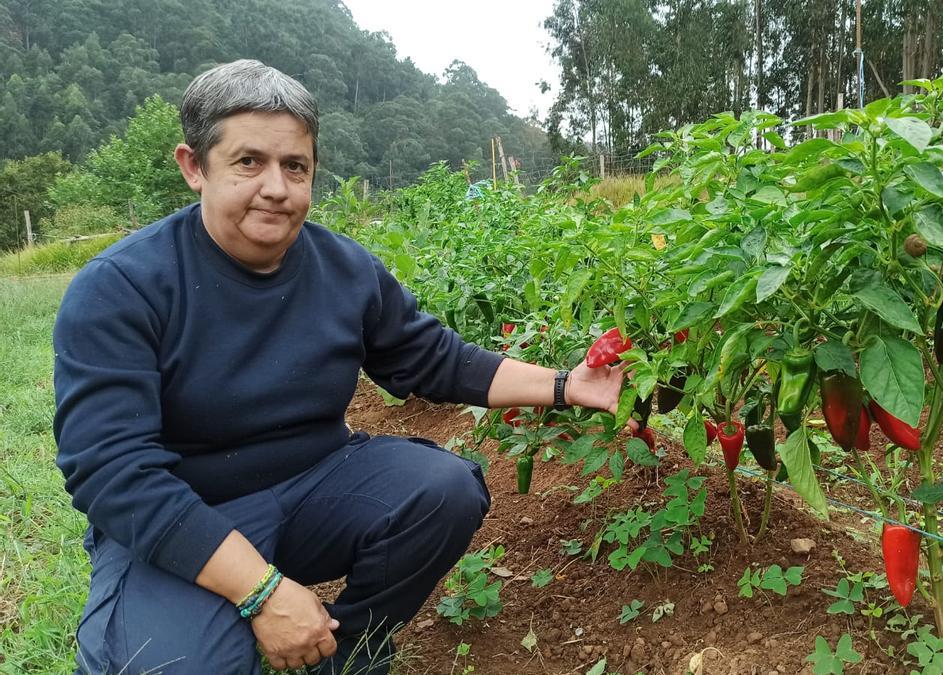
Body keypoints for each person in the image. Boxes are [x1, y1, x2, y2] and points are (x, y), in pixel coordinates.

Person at [53, 59, 627, 675]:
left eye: (295, 166)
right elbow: (113, 470)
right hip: (190, 509)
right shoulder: (121, 287)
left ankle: (348, 653)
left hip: (313, 487)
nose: (276, 186)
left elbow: (432, 358)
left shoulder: (343, 268)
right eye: (249, 162)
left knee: (443, 490)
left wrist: (569, 384)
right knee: (162, 666)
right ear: (195, 166)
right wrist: (262, 592)